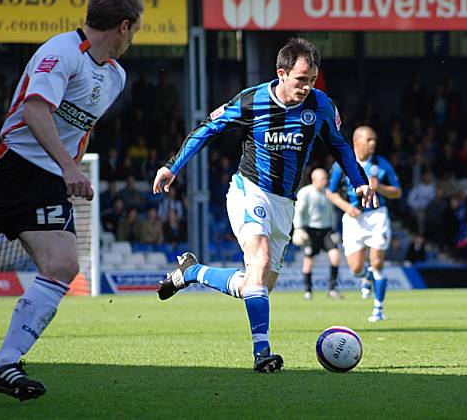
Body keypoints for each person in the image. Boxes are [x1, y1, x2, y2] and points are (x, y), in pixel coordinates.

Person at [152, 38, 376, 372]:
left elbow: (340, 147)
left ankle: (193, 272)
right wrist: (173, 166)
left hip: (285, 204)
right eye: (301, 79)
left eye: (312, 80)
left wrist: (359, 181)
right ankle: (263, 353)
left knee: (256, 286)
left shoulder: (321, 106)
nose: (306, 87)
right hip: (249, 191)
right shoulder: (252, 100)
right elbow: (207, 129)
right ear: (281, 73)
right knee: (260, 260)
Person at [0, 0, 143, 400]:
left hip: (45, 184)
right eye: (135, 30)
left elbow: (82, 128)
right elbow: (34, 111)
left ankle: (3, 364)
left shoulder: (115, 76)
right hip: (4, 169)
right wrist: (69, 168)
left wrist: (69, 167)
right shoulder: (62, 50)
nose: (133, 38)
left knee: (63, 264)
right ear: (124, 26)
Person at [326, 125, 401, 322]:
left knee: (377, 262)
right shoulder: (341, 164)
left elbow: (397, 192)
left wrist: (381, 188)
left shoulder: (381, 164)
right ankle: (365, 275)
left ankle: (378, 309)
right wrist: (346, 207)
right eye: (368, 140)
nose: (373, 143)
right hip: (353, 219)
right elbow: (330, 192)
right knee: (355, 268)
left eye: (374, 140)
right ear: (356, 142)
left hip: (377, 216)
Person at [292, 168, 342, 300]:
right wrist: (298, 229)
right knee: (308, 259)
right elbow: (298, 212)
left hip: (326, 230)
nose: (326, 181)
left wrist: (334, 229)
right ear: (315, 180)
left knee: (335, 255)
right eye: (323, 179)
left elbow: (332, 213)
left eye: (326, 178)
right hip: (309, 229)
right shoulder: (305, 193)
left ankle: (332, 288)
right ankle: (308, 290)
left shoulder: (329, 193)